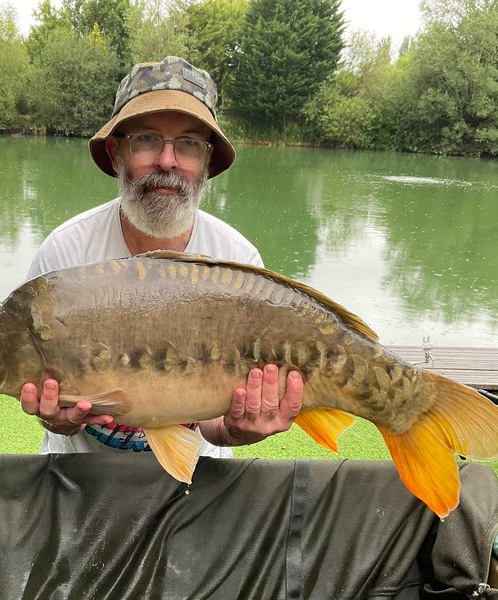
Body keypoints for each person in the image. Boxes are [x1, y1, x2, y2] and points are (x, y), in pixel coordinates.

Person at [19, 56, 304, 459]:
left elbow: (216, 425)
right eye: (147, 140)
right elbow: (44, 396)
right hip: (82, 475)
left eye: (187, 144)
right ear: (117, 153)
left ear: (206, 162)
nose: (167, 162)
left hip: (199, 480)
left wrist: (241, 429)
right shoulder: (66, 253)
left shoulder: (236, 258)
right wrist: (55, 417)